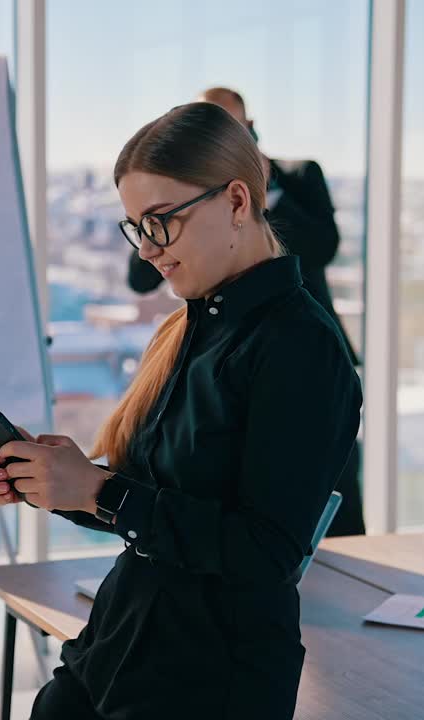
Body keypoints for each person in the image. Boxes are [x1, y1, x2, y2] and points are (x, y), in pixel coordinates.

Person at [0, 102, 361, 719]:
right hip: (114, 653)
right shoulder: (185, 331)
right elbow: (158, 507)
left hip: (206, 681)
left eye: (161, 221)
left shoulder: (300, 348)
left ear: (236, 202)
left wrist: (99, 491)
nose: (147, 250)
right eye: (134, 226)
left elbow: (266, 552)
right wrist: (61, 483)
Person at [127, 86, 365, 537]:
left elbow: (324, 246)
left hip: (288, 345)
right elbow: (139, 277)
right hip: (219, 340)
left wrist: (265, 190)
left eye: (232, 129)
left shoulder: (296, 177)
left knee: (327, 498)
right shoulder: (182, 331)